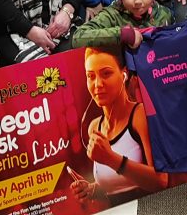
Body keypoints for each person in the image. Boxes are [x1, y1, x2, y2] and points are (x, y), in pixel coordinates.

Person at [69, 46, 168, 207]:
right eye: (91, 76)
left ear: (124, 74)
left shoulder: (140, 116)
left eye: (106, 73)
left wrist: (111, 159)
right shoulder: (94, 127)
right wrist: (93, 190)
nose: (97, 84)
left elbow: (162, 181)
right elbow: (120, 189)